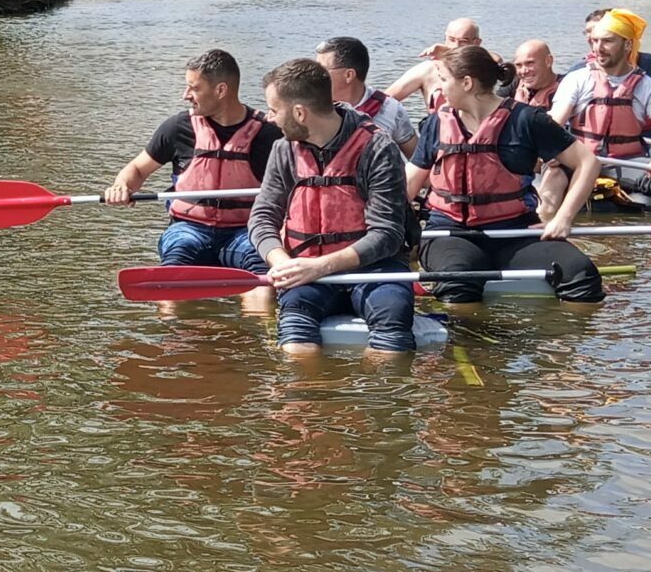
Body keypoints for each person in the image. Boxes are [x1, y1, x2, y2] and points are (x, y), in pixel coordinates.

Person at [407, 45, 605, 305]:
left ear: (466, 83)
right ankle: (474, 342)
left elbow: (587, 163)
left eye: (443, 80)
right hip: (451, 233)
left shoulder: (527, 120)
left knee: (581, 275)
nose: (439, 88)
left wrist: (563, 218)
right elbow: (407, 185)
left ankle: (559, 343)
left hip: (515, 232)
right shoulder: (437, 124)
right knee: (458, 283)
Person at [247, 58, 416, 357]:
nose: (270, 119)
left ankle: (376, 400)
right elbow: (262, 218)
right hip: (307, 271)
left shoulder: (378, 147)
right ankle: (309, 399)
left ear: (300, 112)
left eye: (275, 110)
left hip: (374, 270)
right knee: (296, 341)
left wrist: (322, 266)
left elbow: (388, 234)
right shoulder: (283, 149)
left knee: (393, 330)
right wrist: (281, 262)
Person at [102, 49, 277, 273]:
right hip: (188, 229)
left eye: (194, 88)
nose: (185, 95)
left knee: (262, 271)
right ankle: (172, 304)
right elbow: (137, 168)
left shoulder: (269, 134)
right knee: (175, 263)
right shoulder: (178, 128)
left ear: (221, 90)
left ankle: (257, 308)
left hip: (246, 230)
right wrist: (122, 186)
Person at [547, 9, 651, 221]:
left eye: (607, 41)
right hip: (580, 159)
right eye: (595, 41)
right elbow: (555, 122)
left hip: (627, 161)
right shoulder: (577, 79)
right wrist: (550, 150)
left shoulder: (647, 86)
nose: (598, 48)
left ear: (627, 45)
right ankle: (542, 232)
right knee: (554, 174)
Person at [578, 7, 651, 137]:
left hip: (646, 137)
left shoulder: (650, 64)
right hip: (592, 140)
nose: (591, 37)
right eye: (588, 32)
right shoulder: (579, 72)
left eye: (605, 37)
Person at [314, 37, 418, 158]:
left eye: (321, 70)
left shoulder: (390, 109)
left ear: (349, 75)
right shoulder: (309, 108)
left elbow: (419, 161)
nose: (315, 76)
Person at [385, 17, 484, 110]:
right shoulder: (428, 69)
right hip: (439, 125)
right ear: (445, 39)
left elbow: (497, 61)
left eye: (463, 41)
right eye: (451, 40)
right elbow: (385, 99)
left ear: (476, 42)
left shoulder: (485, 66)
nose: (455, 46)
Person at [505, 39, 560, 108]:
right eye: (519, 65)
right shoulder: (514, 84)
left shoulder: (567, 87)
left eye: (530, 63)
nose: (524, 71)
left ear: (548, 61)